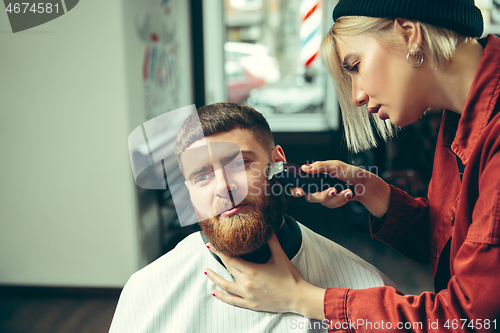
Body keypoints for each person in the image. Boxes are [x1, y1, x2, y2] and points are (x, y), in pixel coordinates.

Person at [204, 1, 500, 332]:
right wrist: (372, 191)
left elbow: (469, 320)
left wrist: (302, 298)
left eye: (355, 65)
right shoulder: (457, 120)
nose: (357, 96)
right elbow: (461, 249)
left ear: (410, 34)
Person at [108, 103, 396, 333]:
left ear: (278, 163)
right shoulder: (145, 292)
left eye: (239, 163)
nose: (224, 186)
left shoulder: (367, 287)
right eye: (202, 176)